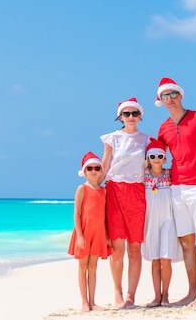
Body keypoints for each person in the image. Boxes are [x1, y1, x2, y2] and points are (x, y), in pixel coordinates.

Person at [154, 77, 196, 306]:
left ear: (181, 95)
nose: (170, 99)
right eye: (165, 95)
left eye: (173, 94)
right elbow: (156, 157)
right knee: (186, 242)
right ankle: (192, 292)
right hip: (176, 188)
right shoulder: (163, 128)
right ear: (160, 100)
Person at [99, 97, 150, 309]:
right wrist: (92, 188)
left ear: (140, 116)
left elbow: (154, 165)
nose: (130, 117)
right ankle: (118, 293)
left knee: (135, 249)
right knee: (117, 248)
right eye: (126, 114)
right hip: (114, 192)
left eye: (134, 113)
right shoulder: (112, 138)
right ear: (120, 117)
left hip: (137, 193)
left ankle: (131, 296)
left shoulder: (147, 140)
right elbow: (105, 164)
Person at [68, 151, 111, 312]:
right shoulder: (82, 189)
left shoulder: (103, 191)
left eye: (97, 168)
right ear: (85, 171)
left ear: (100, 170)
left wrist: (106, 235)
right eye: (90, 168)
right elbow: (77, 213)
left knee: (93, 267)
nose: (94, 171)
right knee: (83, 266)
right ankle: (84, 302)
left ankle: (93, 301)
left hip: (98, 232)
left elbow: (105, 215)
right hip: (84, 232)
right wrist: (79, 235)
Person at [141, 137, 182, 308]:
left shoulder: (170, 174)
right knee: (155, 260)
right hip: (150, 222)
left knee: (166, 258)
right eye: (152, 156)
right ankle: (156, 296)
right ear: (147, 159)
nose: (156, 159)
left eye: (160, 156)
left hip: (168, 220)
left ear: (165, 158)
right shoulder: (143, 177)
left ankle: (166, 295)